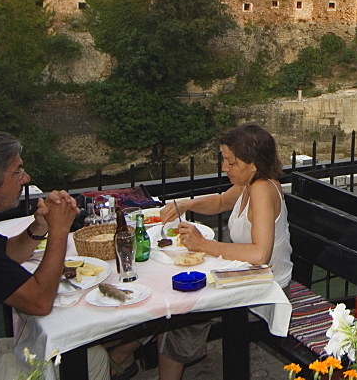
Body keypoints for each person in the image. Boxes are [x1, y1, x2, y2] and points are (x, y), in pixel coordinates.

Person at [111, 124, 291, 380]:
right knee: (175, 288)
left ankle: (133, 359)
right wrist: (186, 203)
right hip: (247, 276)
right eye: (224, 159)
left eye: (231, 161)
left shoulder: (262, 189)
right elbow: (220, 201)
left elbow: (260, 254)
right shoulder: (249, 183)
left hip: (266, 288)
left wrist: (203, 245)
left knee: (185, 307)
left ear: (253, 164)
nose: (224, 167)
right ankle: (123, 353)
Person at [0, 130, 109, 380]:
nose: (26, 178)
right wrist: (60, 231)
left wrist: (41, 226)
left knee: (85, 353)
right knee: (90, 360)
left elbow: (8, 254)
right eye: (17, 171)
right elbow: (39, 302)